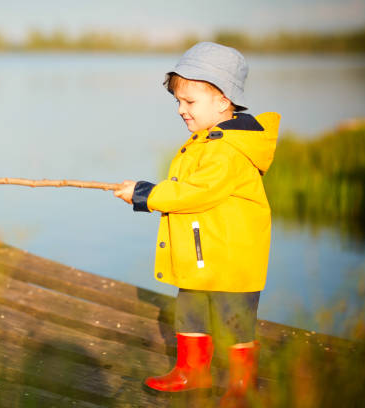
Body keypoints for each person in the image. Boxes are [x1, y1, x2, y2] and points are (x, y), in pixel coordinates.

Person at [114, 42, 280, 407]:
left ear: (223, 101)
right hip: (204, 254)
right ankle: (193, 371)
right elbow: (187, 190)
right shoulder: (207, 140)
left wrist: (145, 193)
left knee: (234, 321)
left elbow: (195, 194)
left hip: (232, 259)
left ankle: (242, 386)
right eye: (178, 101)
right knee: (190, 312)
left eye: (189, 102)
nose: (180, 110)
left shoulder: (229, 149)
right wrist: (151, 191)